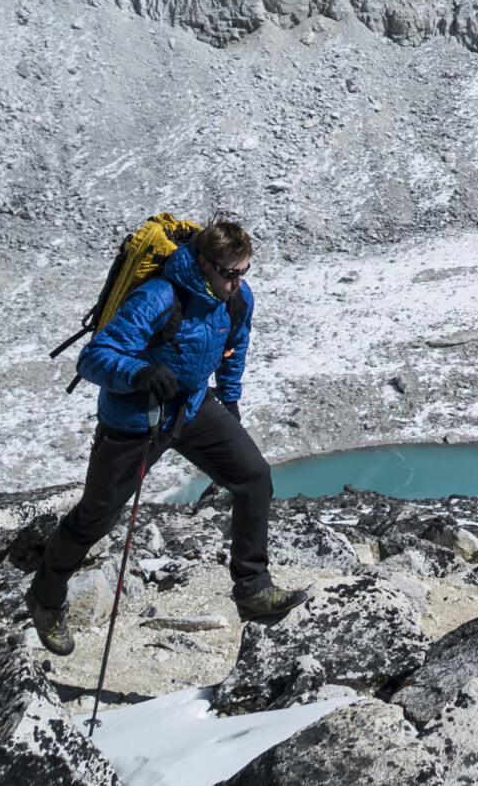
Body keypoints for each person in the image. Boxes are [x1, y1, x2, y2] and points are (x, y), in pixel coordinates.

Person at [26, 216, 304, 652]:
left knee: (253, 477)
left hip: (192, 406)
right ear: (204, 263)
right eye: (230, 273)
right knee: (96, 516)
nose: (238, 283)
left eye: (244, 272)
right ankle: (46, 597)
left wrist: (228, 401)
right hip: (137, 417)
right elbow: (94, 357)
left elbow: (236, 345)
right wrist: (139, 373)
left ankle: (252, 588)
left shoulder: (236, 298)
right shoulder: (159, 296)